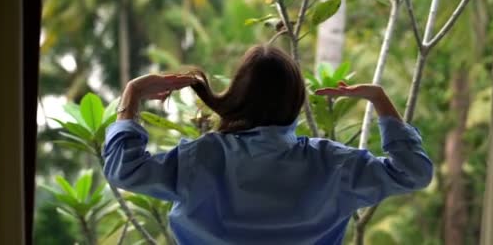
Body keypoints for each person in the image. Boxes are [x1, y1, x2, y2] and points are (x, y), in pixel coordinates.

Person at [103, 44, 433, 244]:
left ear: (237, 96)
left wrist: (131, 96)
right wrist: (379, 100)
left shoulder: (200, 157)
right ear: (296, 100)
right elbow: (413, 172)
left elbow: (123, 170)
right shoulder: (334, 164)